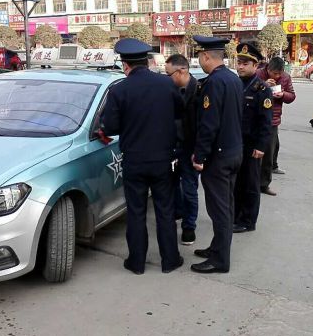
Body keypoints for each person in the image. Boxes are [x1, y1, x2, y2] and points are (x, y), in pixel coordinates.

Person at [100, 38, 184, 275]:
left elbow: (110, 127)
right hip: (162, 160)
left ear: (124, 64)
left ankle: (136, 262)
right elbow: (180, 112)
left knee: (136, 212)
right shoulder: (166, 84)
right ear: (147, 62)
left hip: (134, 161)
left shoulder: (119, 90)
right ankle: (170, 260)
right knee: (164, 211)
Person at [190, 35, 243, 274]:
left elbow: (209, 125)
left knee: (219, 210)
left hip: (218, 157)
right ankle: (217, 248)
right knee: (227, 206)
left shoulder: (213, 83)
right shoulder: (233, 78)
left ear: (205, 57)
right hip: (234, 152)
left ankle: (220, 260)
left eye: (200, 56)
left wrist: (200, 157)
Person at [232, 43, 273, 234]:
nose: (240, 66)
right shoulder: (236, 84)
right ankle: (236, 216)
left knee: (250, 183)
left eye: (245, 63)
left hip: (252, 145)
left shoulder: (262, 89)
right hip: (237, 143)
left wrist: (261, 146)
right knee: (237, 182)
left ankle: (248, 221)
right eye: (239, 62)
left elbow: (266, 122)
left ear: (255, 66)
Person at [165, 54, 200, 246]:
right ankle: (177, 212)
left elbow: (205, 125)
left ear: (182, 71)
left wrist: (200, 151)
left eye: (168, 73)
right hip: (171, 147)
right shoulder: (169, 89)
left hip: (190, 149)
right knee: (170, 185)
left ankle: (189, 227)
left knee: (189, 188)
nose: (166, 77)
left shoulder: (200, 90)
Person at [256, 57, 296, 196]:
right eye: (274, 73)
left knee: (269, 154)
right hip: (256, 119)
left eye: (279, 74)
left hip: (273, 120)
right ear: (268, 69)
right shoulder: (259, 74)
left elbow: (292, 96)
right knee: (254, 154)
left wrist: (283, 94)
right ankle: (251, 183)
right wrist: (263, 85)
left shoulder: (285, 78)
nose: (276, 76)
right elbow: (248, 91)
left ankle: (264, 184)